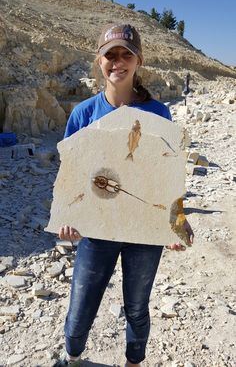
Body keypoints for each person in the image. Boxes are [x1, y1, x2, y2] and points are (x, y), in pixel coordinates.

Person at [53, 24, 194, 367]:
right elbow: (70, 177)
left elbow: (167, 178)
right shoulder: (83, 114)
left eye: (126, 54)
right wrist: (66, 220)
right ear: (99, 61)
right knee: (81, 305)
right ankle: (71, 359)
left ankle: (134, 363)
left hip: (142, 233)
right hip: (97, 229)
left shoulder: (159, 113)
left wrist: (174, 226)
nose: (118, 62)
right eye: (110, 55)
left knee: (136, 306)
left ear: (138, 60)